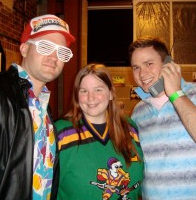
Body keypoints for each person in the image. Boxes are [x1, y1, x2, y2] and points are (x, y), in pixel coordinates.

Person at [0, 14, 75, 200]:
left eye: (62, 52)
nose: (54, 57)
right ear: (24, 49)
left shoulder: (43, 106)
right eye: (45, 46)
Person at [128, 37, 196, 200]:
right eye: (136, 67)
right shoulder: (138, 112)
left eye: (149, 64)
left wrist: (176, 94)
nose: (142, 74)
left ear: (168, 64)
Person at [55, 63, 144, 200]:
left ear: (110, 93)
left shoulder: (130, 127)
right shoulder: (62, 133)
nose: (91, 97)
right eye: (84, 91)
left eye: (98, 90)